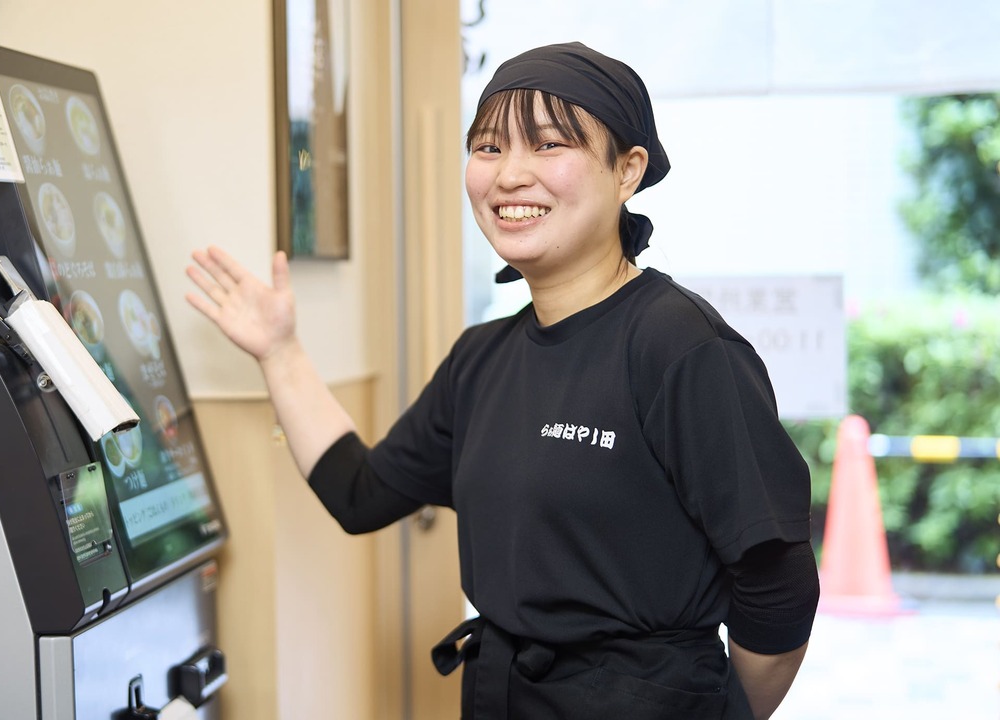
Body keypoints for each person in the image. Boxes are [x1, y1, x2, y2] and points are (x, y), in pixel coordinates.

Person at [186, 41, 819, 720]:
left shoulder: (680, 347)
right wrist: (280, 354)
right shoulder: (482, 358)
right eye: (488, 147)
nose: (510, 175)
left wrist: (708, 710)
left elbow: (777, 587)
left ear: (627, 170)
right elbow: (359, 493)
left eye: (548, 146)